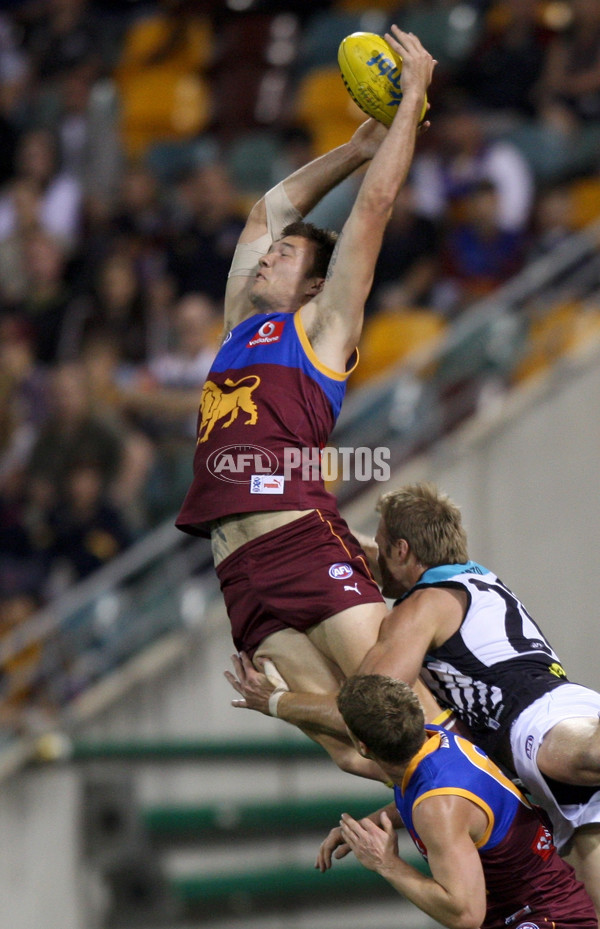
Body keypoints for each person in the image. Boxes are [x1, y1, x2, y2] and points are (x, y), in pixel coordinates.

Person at [178, 27, 441, 775]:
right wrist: (355, 148)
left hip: (299, 539)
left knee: (402, 716)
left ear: (318, 285)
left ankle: (538, 839)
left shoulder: (322, 326)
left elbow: (377, 208)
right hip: (239, 570)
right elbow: (266, 211)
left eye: (286, 257)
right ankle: (467, 866)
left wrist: (410, 102)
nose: (268, 255)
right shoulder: (242, 327)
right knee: (355, 752)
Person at [226, 482, 600, 915]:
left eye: (382, 549)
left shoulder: (423, 606)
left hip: (534, 717)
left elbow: (361, 706)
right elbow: (371, 756)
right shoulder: (476, 579)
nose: (373, 561)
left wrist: (275, 702)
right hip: (545, 767)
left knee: (576, 754)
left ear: (401, 550)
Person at [316, 674, 597, 929]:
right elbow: (429, 802)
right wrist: (368, 827)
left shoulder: (439, 805)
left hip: (546, 917)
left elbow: (465, 915)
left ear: (362, 747)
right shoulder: (432, 740)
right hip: (530, 909)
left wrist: (386, 862)